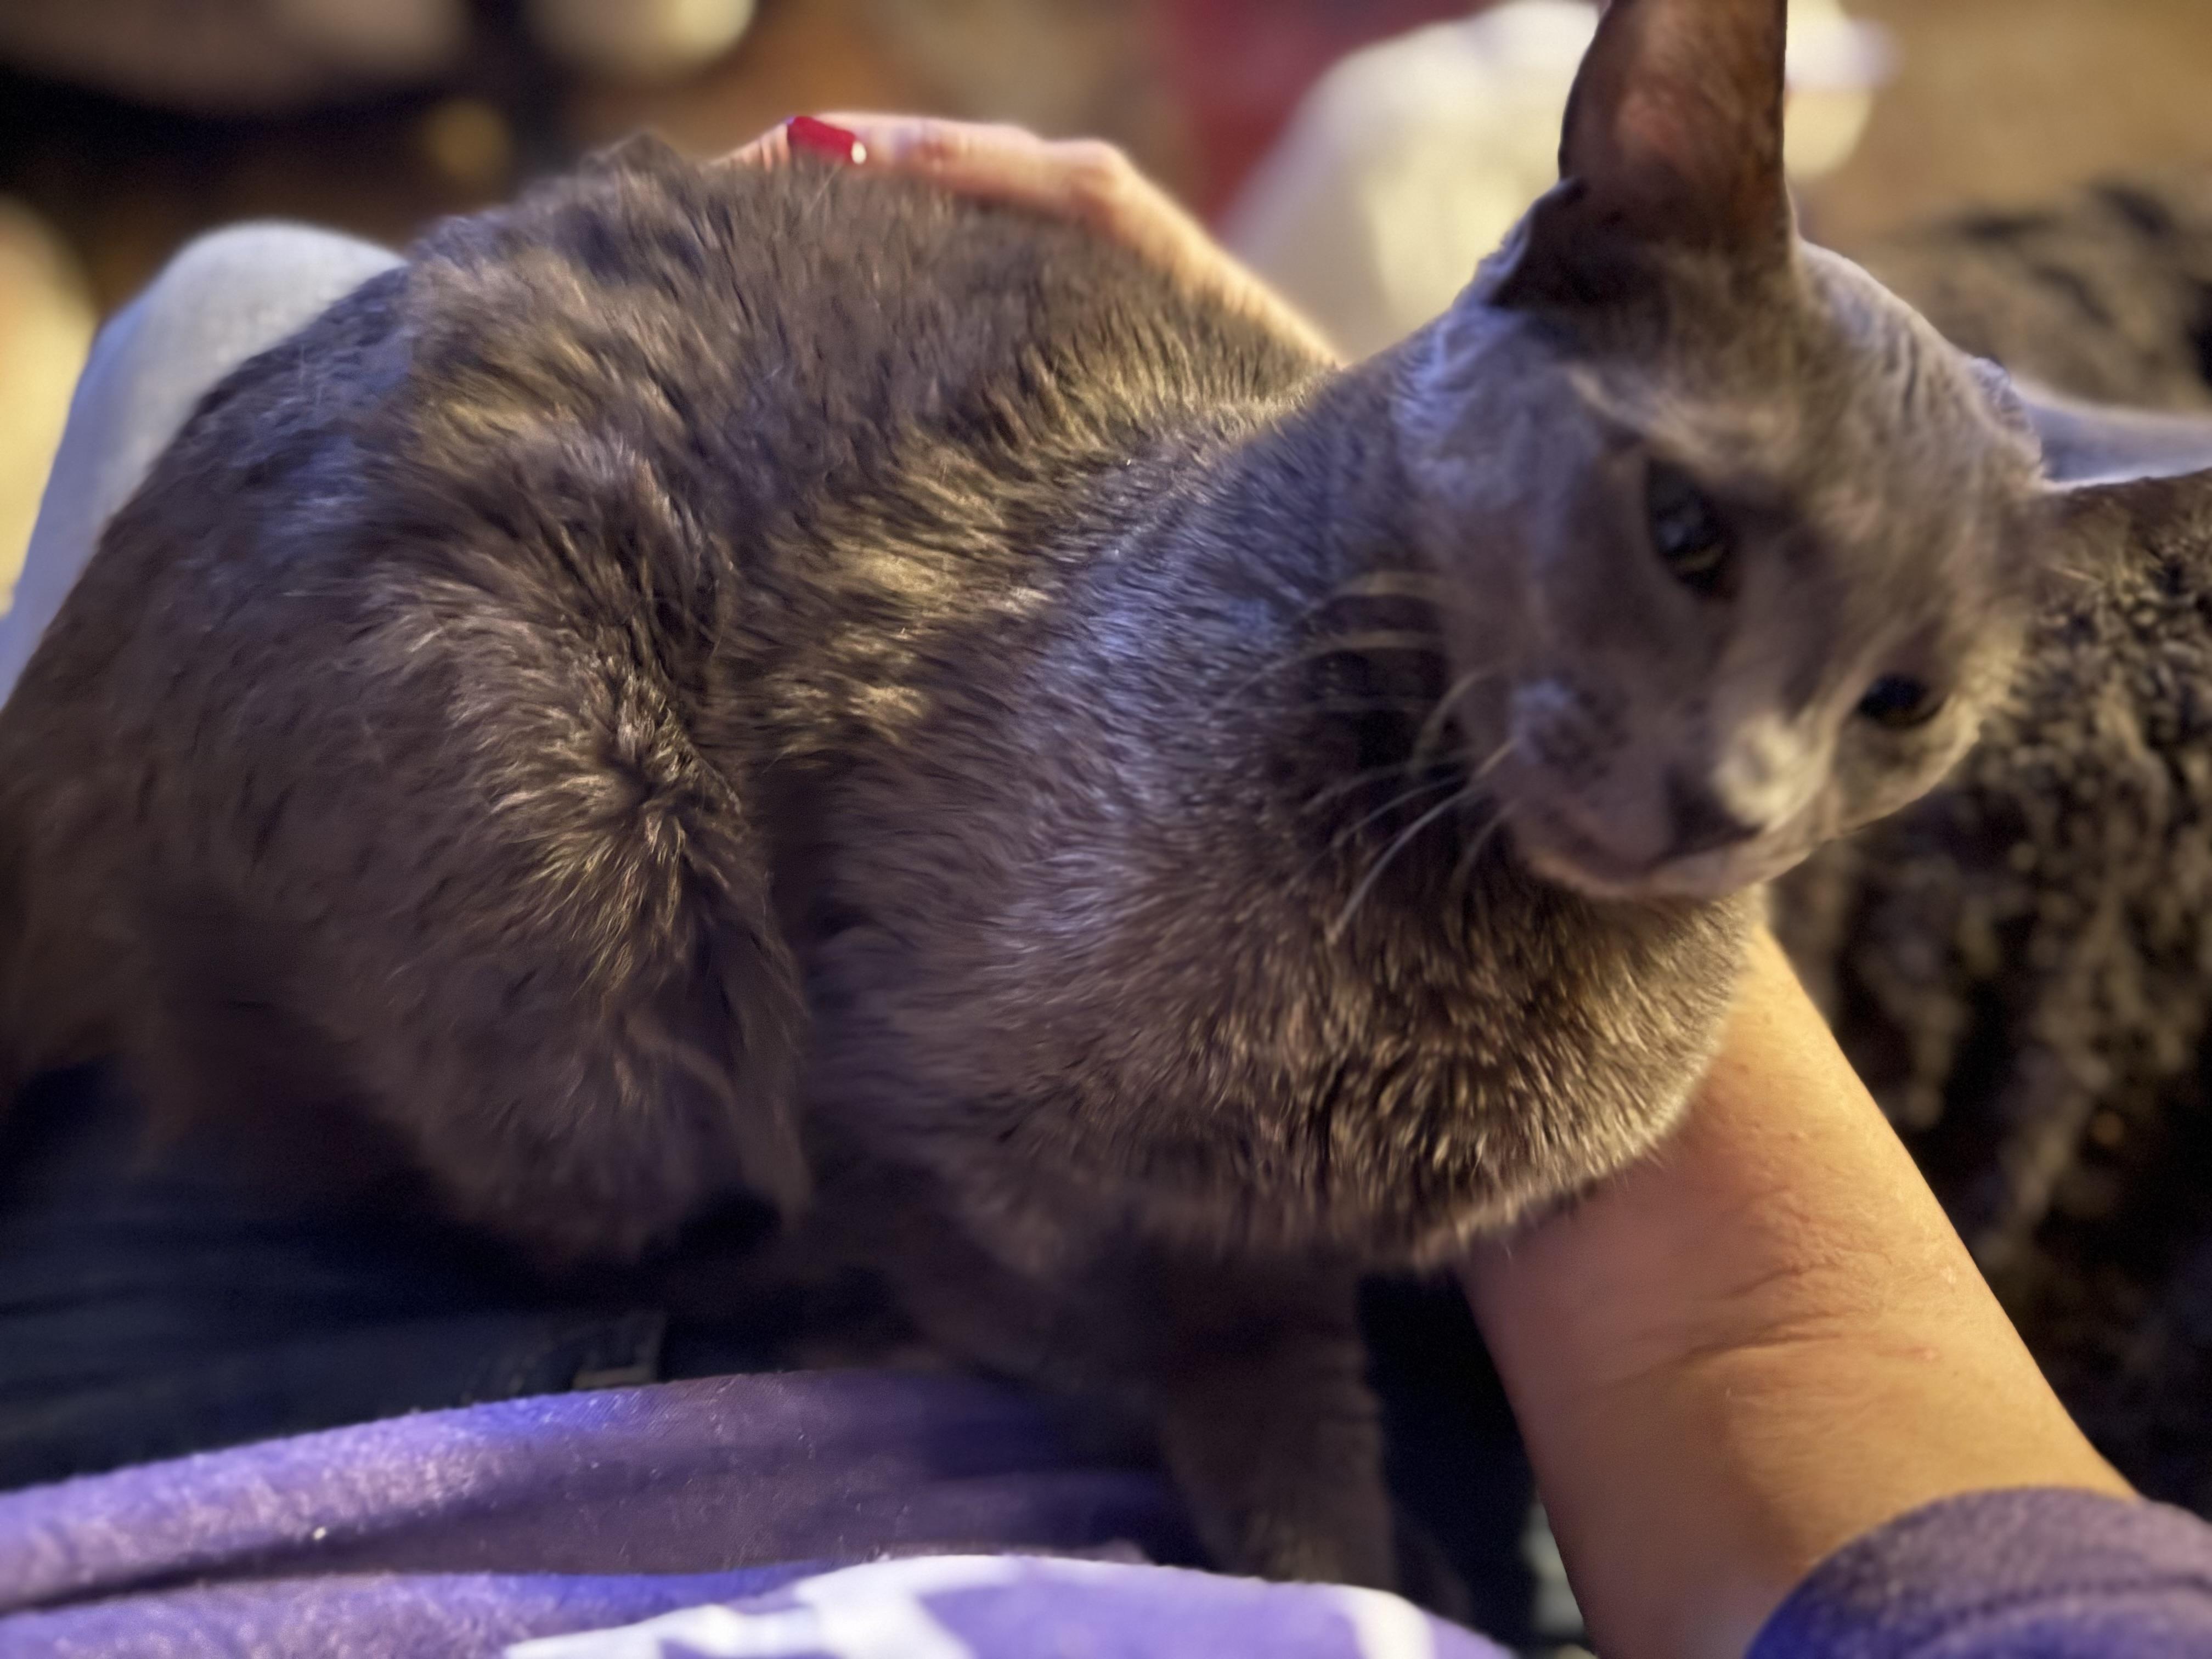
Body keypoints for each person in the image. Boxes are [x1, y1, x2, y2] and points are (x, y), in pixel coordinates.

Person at [2, 115, 2209, 1659]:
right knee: (583, 1066)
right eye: (1693, 547)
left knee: (243, 298)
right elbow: (967, 1111)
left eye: (1892, 702)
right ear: (1543, 286)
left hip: (253, 1504)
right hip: (579, 733)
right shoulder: (1212, 756)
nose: (1753, 779)